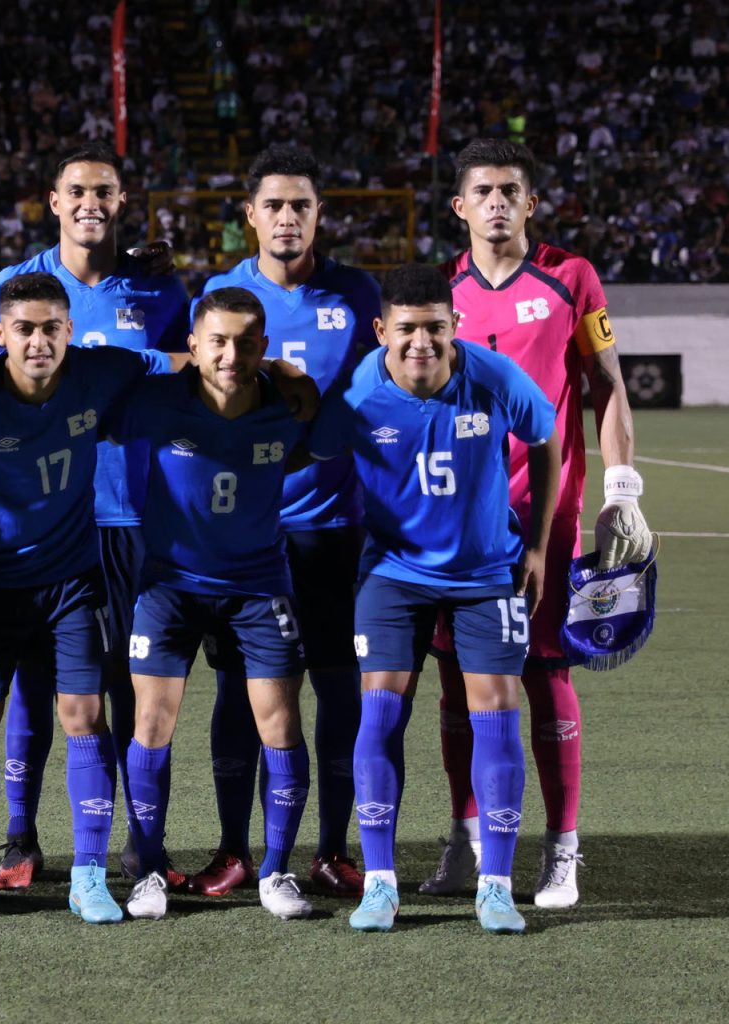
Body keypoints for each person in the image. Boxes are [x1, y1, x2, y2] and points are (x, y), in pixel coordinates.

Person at [423, 139, 651, 909]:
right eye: (481, 190)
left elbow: (608, 385)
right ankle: (465, 842)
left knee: (544, 667)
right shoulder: (437, 289)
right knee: (455, 678)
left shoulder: (571, 277)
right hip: (454, 517)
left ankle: (563, 852)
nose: (495, 202)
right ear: (459, 207)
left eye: (509, 190)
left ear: (531, 203)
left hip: (544, 513)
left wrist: (621, 491)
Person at [306, 262, 559, 935]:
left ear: (456, 326)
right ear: (381, 329)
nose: (422, 341)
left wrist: (535, 545)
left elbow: (546, 437)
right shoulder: (360, 390)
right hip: (393, 573)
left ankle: (496, 886)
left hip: (485, 574)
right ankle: (381, 885)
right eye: (408, 328)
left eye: (435, 328)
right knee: (380, 716)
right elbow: (316, 448)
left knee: (496, 719)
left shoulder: (494, 376)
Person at [0, 272, 181, 924]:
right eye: (25, 329)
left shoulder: (100, 372)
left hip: (73, 584)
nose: (39, 341)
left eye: (51, 329)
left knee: (83, 715)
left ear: (70, 332)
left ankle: (90, 877)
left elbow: (183, 359)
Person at [0, 144, 189, 890]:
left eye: (105, 189)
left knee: (134, 684)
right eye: (77, 190)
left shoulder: (160, 292)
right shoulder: (15, 286)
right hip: (43, 518)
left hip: (132, 515)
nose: (91, 201)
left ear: (122, 200)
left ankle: (142, 843)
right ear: (54, 201)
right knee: (38, 683)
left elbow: (186, 372)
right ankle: (20, 840)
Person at [189, 146, 380, 898]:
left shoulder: (358, 294)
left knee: (339, 692)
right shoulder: (219, 293)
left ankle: (332, 849)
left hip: (335, 532)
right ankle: (236, 848)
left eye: (301, 205)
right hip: (246, 539)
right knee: (240, 692)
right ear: (250, 217)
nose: (288, 218)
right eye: (274, 205)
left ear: (319, 216)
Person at [108, 288, 313, 922]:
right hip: (168, 587)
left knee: (279, 726)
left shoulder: (290, 408)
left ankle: (277, 870)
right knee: (150, 726)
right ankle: (148, 868)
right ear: (192, 347)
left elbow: (313, 434)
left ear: (264, 348)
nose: (230, 354)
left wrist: (293, 380)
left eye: (245, 342)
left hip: (257, 586)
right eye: (216, 341)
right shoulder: (154, 400)